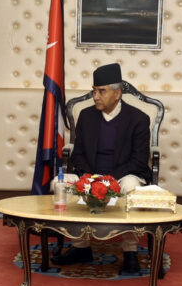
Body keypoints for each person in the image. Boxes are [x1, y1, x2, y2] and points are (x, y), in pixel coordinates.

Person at [52, 63, 152, 273]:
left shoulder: (138, 119)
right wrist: (91, 178)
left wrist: (108, 180)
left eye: (101, 91)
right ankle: (80, 246)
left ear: (117, 93)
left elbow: (139, 161)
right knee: (59, 184)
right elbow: (78, 154)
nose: (95, 96)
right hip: (89, 175)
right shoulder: (86, 116)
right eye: (94, 91)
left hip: (123, 176)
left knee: (131, 185)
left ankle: (130, 250)